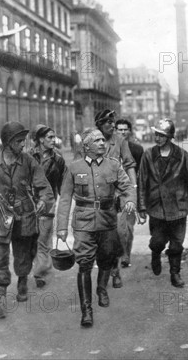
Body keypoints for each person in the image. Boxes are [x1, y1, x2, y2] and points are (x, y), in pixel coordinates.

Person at [56, 128, 136, 327]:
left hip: (108, 220)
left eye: (103, 140)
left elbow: (127, 187)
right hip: (83, 222)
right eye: (97, 140)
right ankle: (86, 310)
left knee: (107, 257)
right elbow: (65, 198)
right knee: (84, 263)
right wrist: (61, 228)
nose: (103, 143)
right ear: (87, 146)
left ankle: (101, 288)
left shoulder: (114, 165)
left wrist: (130, 201)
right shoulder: (74, 168)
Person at [0, 122, 54, 319]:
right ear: (8, 142)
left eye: (24, 140)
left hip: (25, 215)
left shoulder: (29, 162)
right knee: (0, 257)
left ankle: (22, 279)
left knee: (23, 254)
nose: (23, 144)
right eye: (19, 141)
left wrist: (43, 203)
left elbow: (44, 188)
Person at [138, 119, 188, 288]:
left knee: (177, 243)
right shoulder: (148, 155)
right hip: (156, 206)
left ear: (170, 137)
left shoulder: (182, 155)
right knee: (157, 240)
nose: (158, 138)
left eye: (162, 135)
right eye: (156, 134)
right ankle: (155, 253)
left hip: (178, 205)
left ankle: (175, 273)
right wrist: (141, 206)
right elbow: (142, 181)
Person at [94, 109, 137, 288]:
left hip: (117, 196)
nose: (112, 125)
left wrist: (132, 192)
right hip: (96, 197)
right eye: (108, 123)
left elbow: (129, 165)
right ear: (99, 125)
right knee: (100, 237)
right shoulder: (90, 141)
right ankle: (109, 267)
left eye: (113, 122)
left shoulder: (120, 141)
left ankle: (116, 270)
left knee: (119, 233)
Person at [29, 124, 69, 288]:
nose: (54, 140)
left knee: (43, 238)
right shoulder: (28, 157)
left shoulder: (58, 159)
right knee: (31, 238)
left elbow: (63, 184)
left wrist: (64, 202)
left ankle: (39, 272)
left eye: (54, 137)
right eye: (50, 137)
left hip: (48, 204)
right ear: (40, 139)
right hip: (28, 204)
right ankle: (38, 264)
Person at [115, 118, 144, 267]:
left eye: (125, 129)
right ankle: (115, 256)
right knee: (114, 227)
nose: (122, 132)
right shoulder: (109, 148)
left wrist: (138, 196)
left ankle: (126, 255)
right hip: (112, 194)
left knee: (128, 227)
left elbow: (141, 174)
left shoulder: (137, 150)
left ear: (130, 131)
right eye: (119, 129)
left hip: (129, 193)